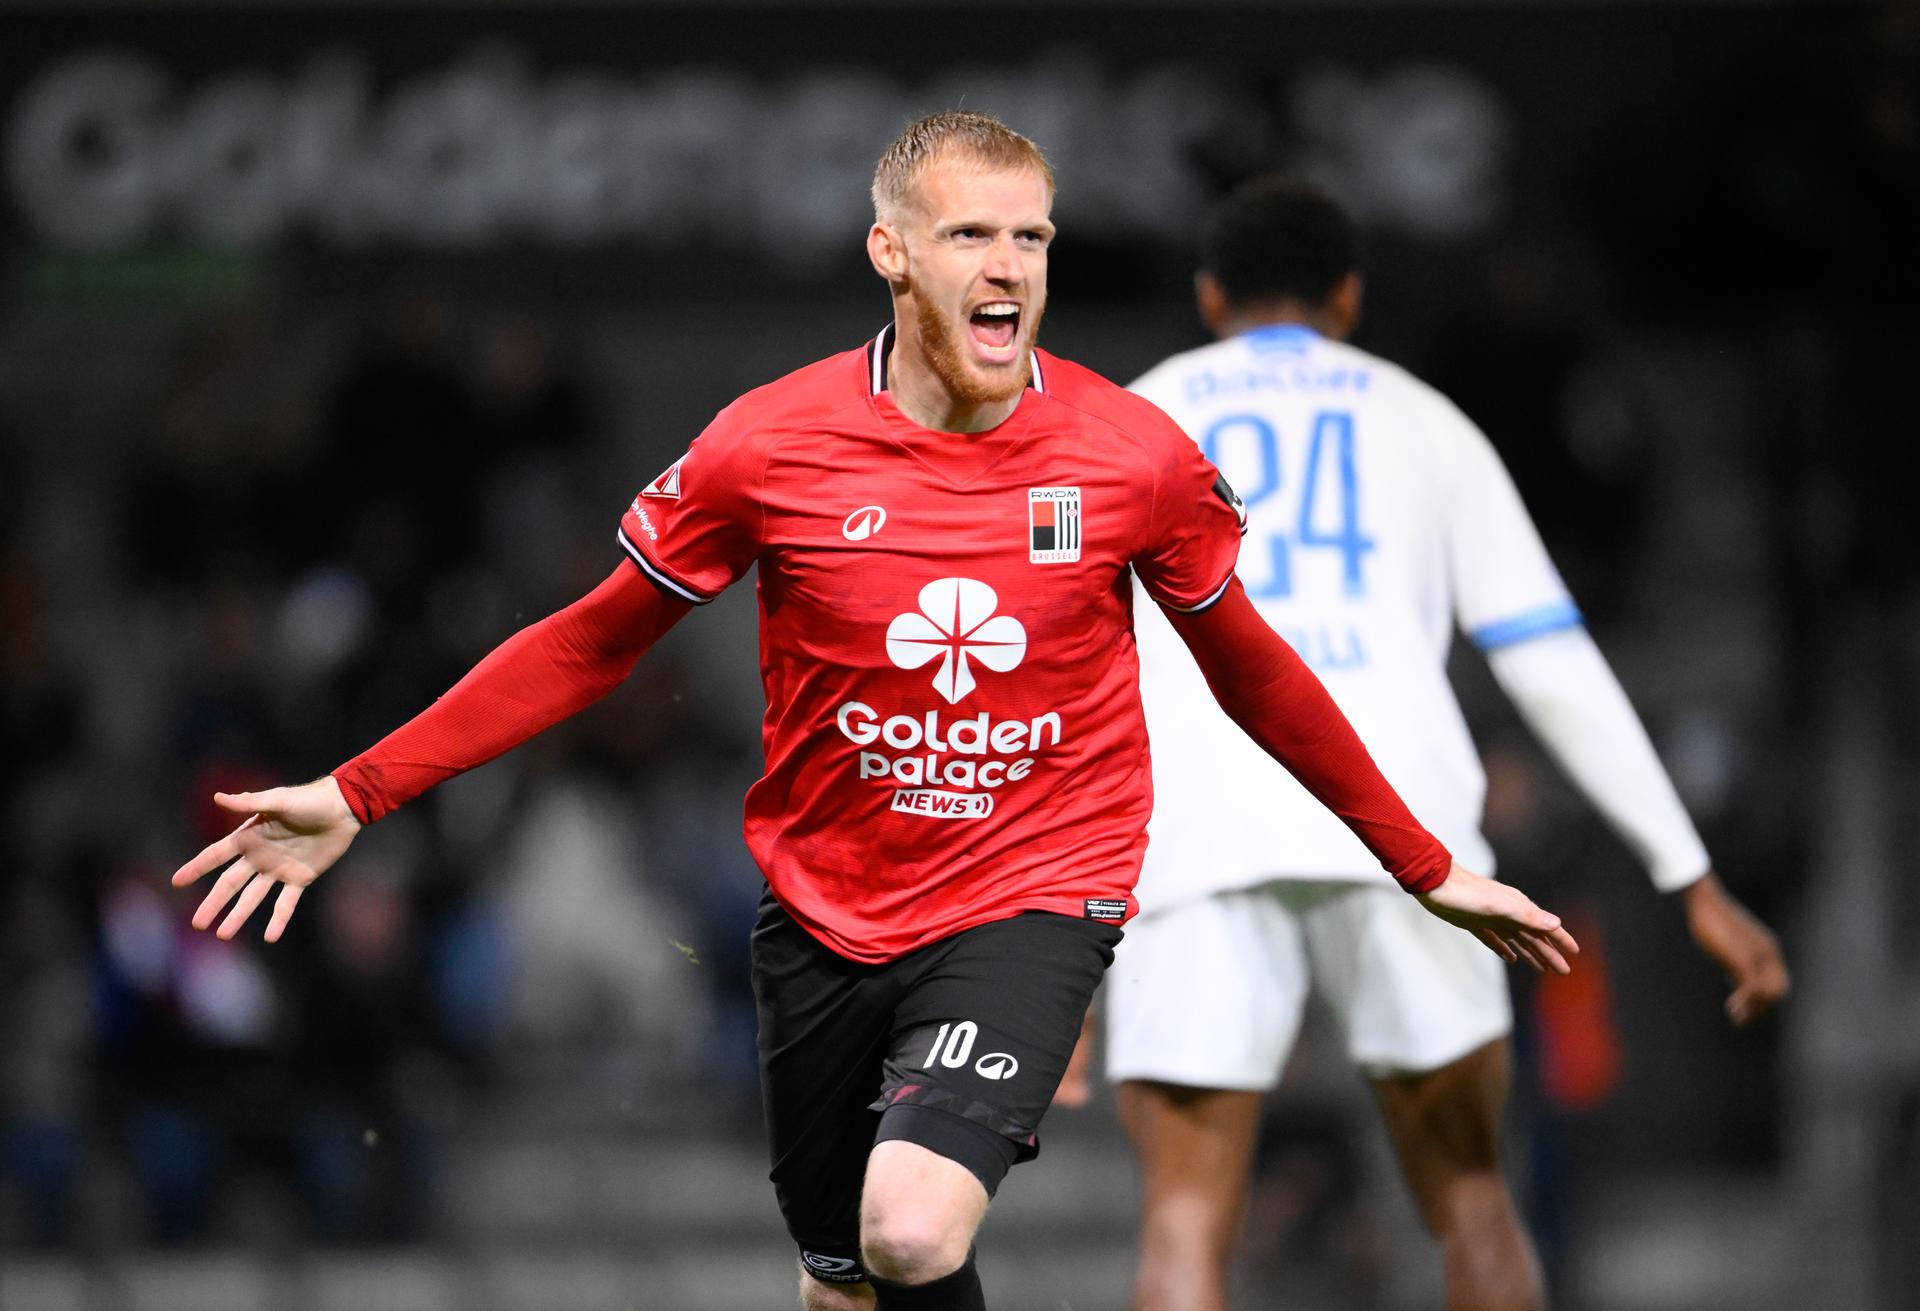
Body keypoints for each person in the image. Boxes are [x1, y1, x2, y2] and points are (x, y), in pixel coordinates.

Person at [170, 116, 1576, 1311]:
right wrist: (357, 790)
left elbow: (1254, 666)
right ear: (892, 253)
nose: (1010, 269)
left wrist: (1420, 857)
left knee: (911, 1224)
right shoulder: (767, 445)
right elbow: (596, 641)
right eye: (972, 237)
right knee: (842, 1277)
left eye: (1031, 238)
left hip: (1039, 886)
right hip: (828, 907)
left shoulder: (1129, 455)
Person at [1103, 176, 1790, 1311]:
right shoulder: (1424, 420)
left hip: (1202, 836)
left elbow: (1060, 670)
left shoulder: (1133, 415)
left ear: (1210, 292)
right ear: (1351, 295)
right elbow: (1551, 659)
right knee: (1472, 1200)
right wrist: (1693, 874)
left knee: (1184, 1223)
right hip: (1412, 843)